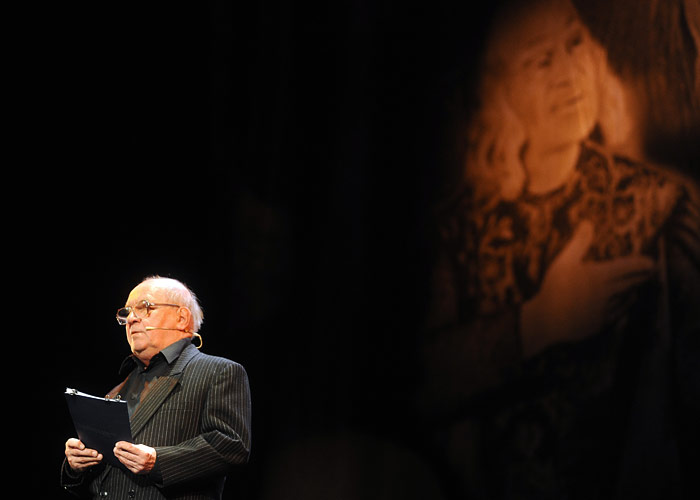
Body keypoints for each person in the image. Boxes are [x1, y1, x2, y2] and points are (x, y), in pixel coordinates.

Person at [420, 0, 700, 498]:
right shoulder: (455, 233)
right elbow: (414, 387)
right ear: (496, 87)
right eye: (540, 60)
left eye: (574, 44)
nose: (568, 74)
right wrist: (536, 324)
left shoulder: (658, 206)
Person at [61, 276, 252, 499]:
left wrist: (158, 461)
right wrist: (76, 464)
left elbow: (231, 446)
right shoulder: (116, 391)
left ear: (181, 318)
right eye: (127, 312)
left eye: (145, 307)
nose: (131, 318)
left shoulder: (218, 371)